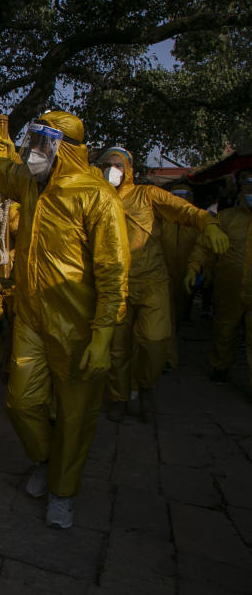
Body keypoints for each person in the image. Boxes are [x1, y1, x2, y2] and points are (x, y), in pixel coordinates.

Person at [0, 102, 130, 530]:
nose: (33, 150)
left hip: (78, 323)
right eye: (32, 141)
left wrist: (102, 336)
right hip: (32, 317)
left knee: (76, 413)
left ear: (68, 150)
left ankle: (63, 491)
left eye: (42, 143)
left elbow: (113, 273)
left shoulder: (97, 197)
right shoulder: (28, 183)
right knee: (21, 402)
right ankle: (45, 461)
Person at [97, 147, 227, 422]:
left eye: (118, 165)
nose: (112, 170)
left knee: (156, 342)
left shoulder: (148, 195)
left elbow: (185, 212)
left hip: (152, 281)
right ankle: (119, 397)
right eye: (106, 164)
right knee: (117, 349)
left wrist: (208, 223)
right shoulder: (96, 198)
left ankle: (145, 387)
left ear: (129, 169)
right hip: (113, 285)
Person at [186, 170, 252, 399]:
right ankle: (221, 368)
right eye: (248, 186)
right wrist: (195, 267)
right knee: (224, 329)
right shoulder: (226, 218)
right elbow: (204, 246)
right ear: (241, 190)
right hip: (229, 287)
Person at [160, 186, 201, 368]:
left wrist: (200, 270)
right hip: (164, 276)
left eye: (183, 197)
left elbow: (203, 248)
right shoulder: (161, 221)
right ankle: (168, 358)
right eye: (175, 197)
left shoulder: (196, 222)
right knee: (167, 316)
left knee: (178, 313)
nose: (179, 200)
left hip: (186, 276)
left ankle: (170, 348)